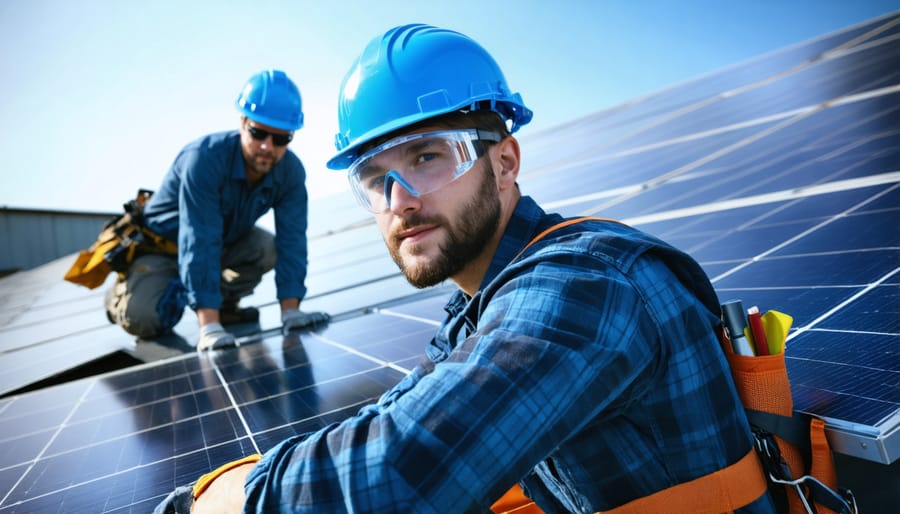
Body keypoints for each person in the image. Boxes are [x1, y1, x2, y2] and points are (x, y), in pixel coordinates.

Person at [156, 25, 776, 513]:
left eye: (428, 156)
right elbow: (398, 417)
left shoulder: (582, 289)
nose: (399, 198)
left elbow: (399, 479)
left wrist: (219, 502)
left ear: (505, 161)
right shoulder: (482, 306)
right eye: (375, 179)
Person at [106, 69, 330, 351]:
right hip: (163, 250)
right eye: (258, 133)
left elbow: (293, 240)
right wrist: (209, 327)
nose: (267, 146)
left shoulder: (291, 173)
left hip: (221, 245)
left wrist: (291, 311)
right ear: (242, 122)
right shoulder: (203, 160)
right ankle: (123, 298)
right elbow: (199, 238)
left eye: (280, 139)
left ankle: (221, 304)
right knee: (145, 320)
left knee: (266, 248)